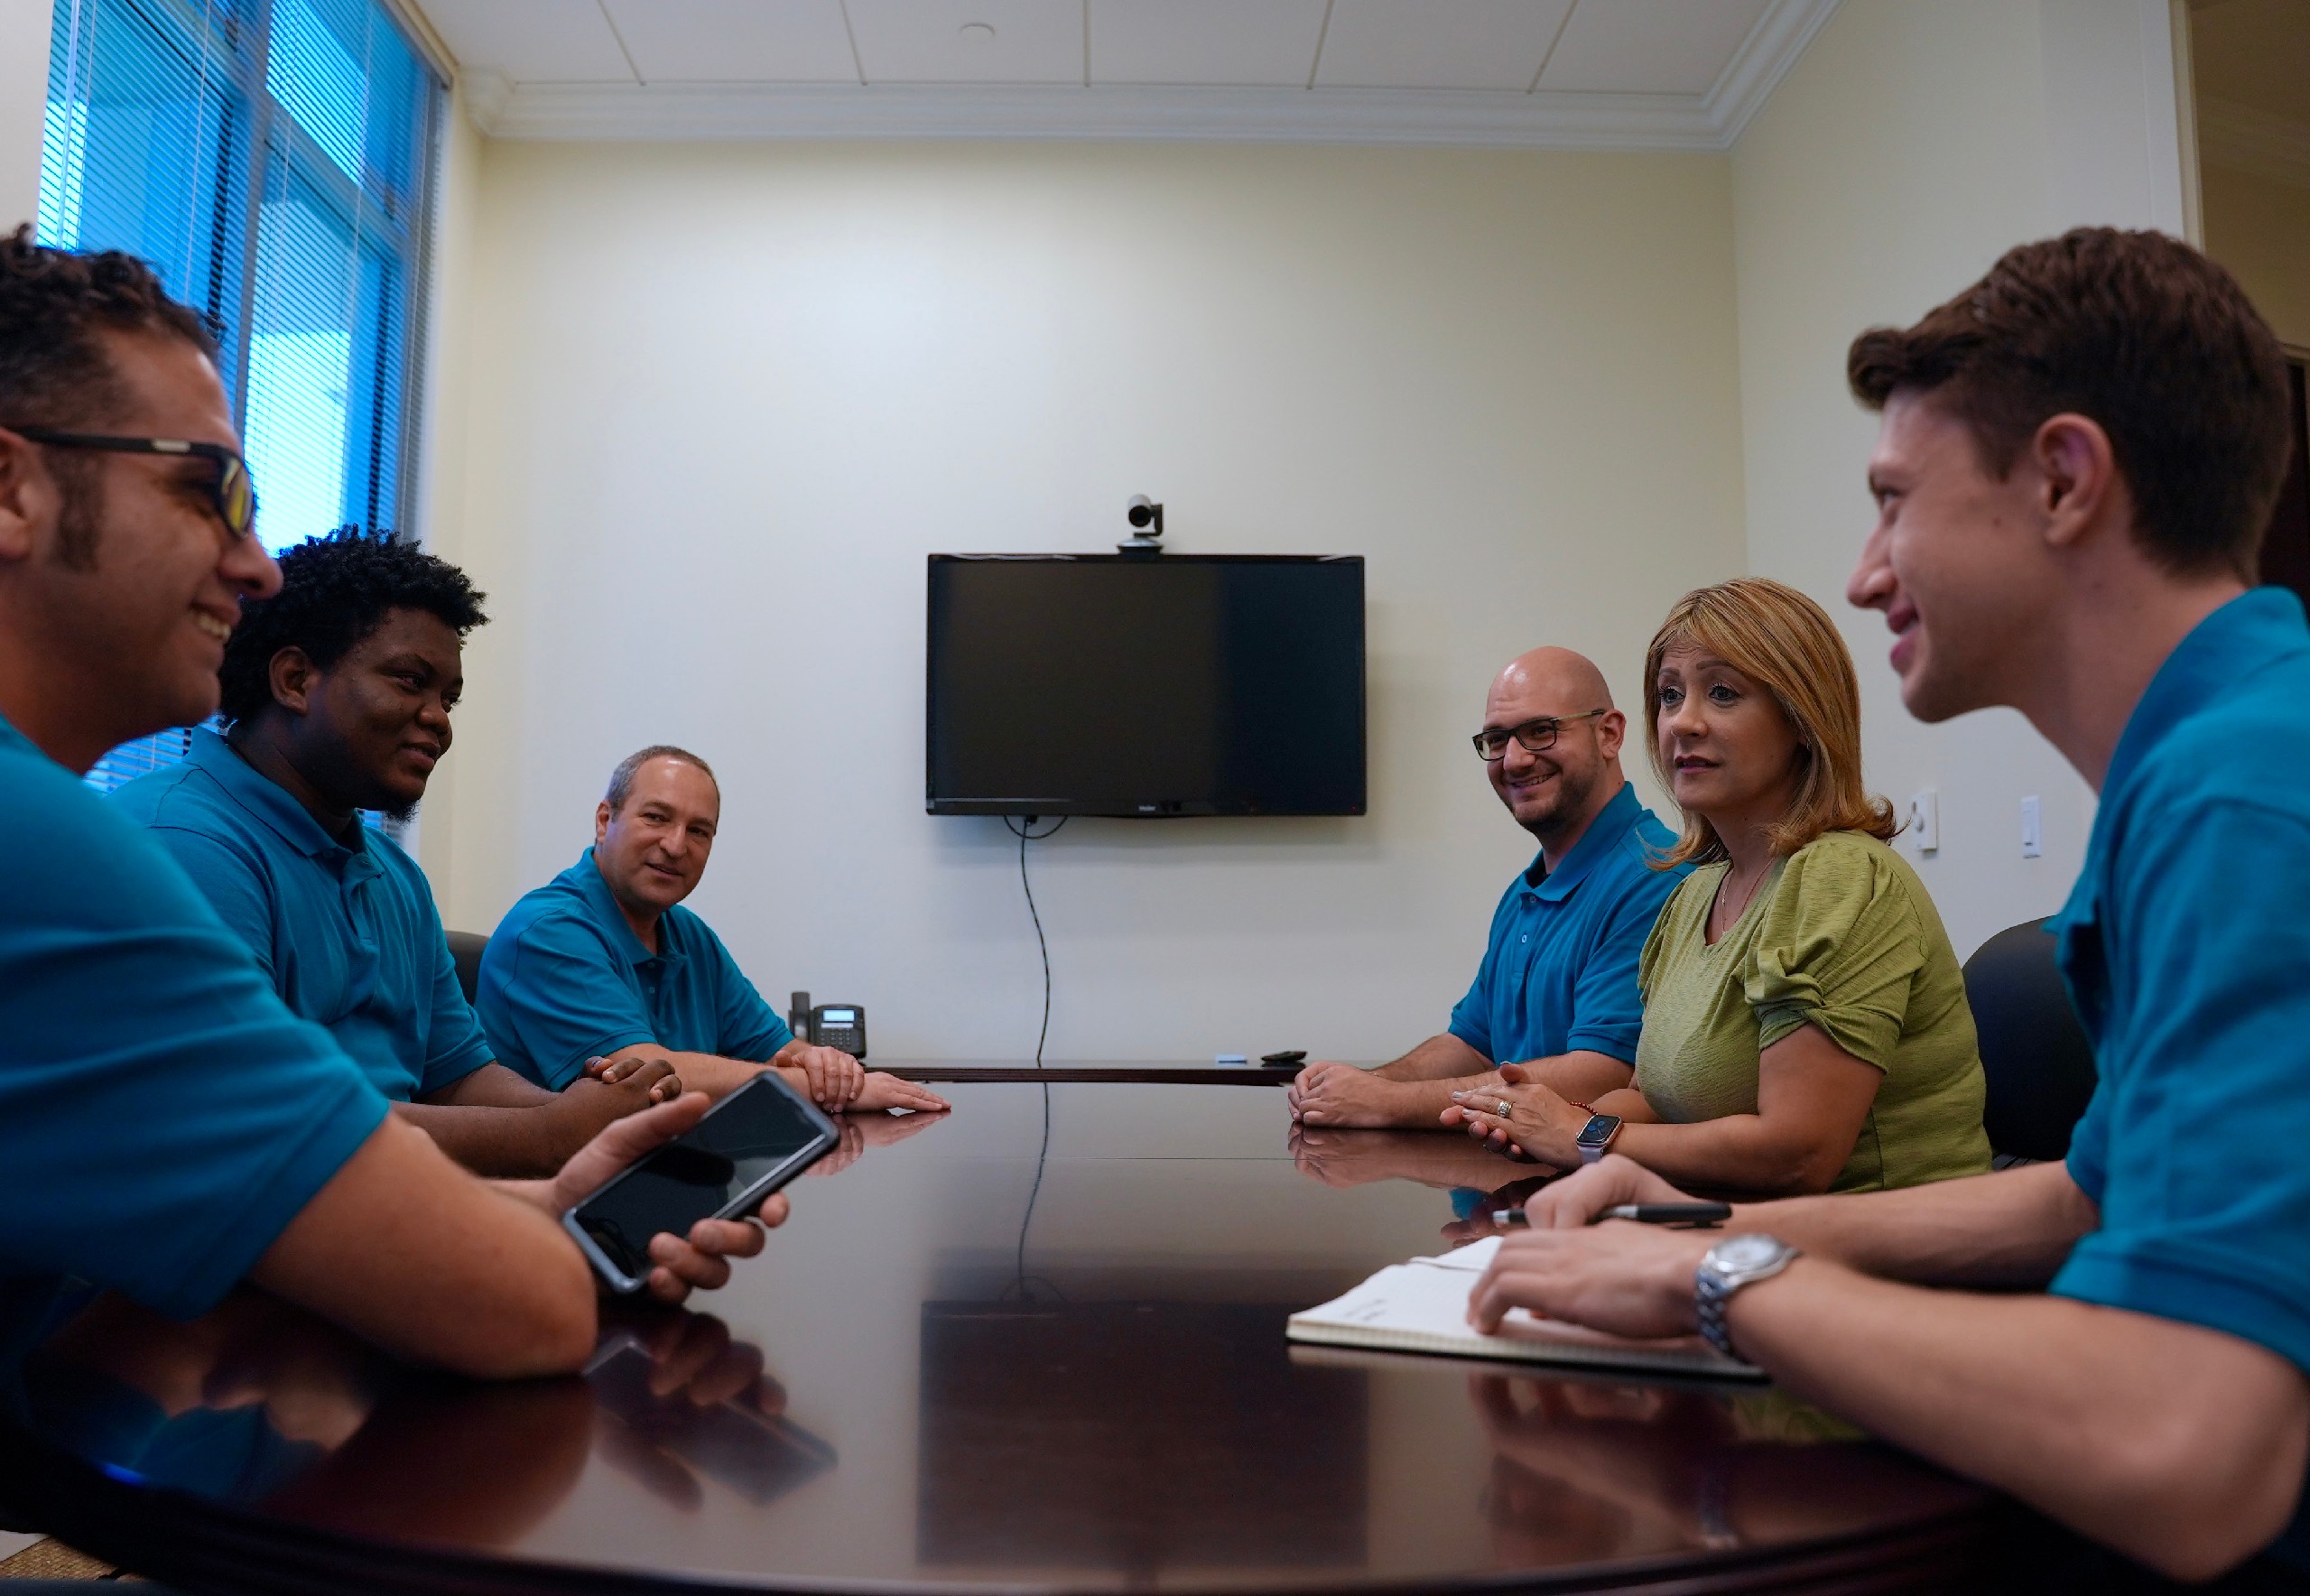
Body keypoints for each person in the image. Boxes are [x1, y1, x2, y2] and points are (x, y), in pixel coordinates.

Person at [1468, 228, 2310, 1582]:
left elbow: (2186, 1451)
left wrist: (1715, 1284)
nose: (1864, 574)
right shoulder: (2201, 776)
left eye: (1892, 501)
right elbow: (2081, 1203)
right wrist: (1696, 1233)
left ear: (2059, 481)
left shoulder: (2246, 797)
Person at [0, 226, 772, 1381]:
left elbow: (446, 1113)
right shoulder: (91, 852)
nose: (256, 565)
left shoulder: (366, 869)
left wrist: (559, 1183)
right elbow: (530, 1312)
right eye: (210, 491)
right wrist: (549, 1180)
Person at [111, 530, 682, 1178]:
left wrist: (596, 1122)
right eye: (410, 681)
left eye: (448, 698)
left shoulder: (395, 876)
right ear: (296, 680)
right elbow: (252, 1117)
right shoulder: (181, 841)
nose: (438, 719)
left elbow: (458, 1078)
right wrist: (551, 1138)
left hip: (376, 1204)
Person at [1455, 580, 1990, 1195]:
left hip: (1876, 1254)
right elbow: (1654, 1102)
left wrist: (1581, 1137)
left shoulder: (1839, 876)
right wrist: (1535, 1117)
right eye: (1668, 695)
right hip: (1733, 1230)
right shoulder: (1692, 895)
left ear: (1800, 717)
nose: (1682, 722)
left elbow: (1796, 1154)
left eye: (1722, 693)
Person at [1288, 648, 1686, 1129]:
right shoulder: (1525, 891)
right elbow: (1471, 1044)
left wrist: (1386, 1103)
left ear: (1609, 733)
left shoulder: (1656, 875)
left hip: (1578, 1194)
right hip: (1504, 1181)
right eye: (1497, 739)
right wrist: (1365, 1084)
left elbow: (1601, 1075)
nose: (1515, 760)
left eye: (1541, 731)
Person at [478, 747, 950, 1115]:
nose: (676, 845)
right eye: (656, 817)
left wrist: (826, 1065)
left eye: (699, 831)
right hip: (546, 1200)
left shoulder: (688, 935)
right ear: (606, 821)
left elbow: (779, 1051)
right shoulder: (548, 930)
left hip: (665, 1174)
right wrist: (835, 1086)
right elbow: (642, 1076)